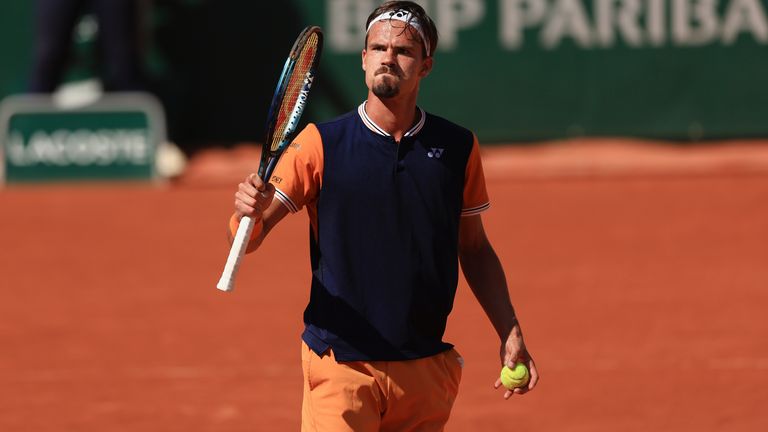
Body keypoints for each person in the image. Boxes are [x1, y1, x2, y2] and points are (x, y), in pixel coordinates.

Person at [227, 2, 539, 430]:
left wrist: (510, 329)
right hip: (341, 365)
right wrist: (249, 215)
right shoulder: (320, 144)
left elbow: (474, 247)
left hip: (424, 368)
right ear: (362, 59)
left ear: (425, 66)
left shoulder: (458, 148)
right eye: (377, 47)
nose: (388, 57)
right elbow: (252, 234)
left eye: (404, 51)